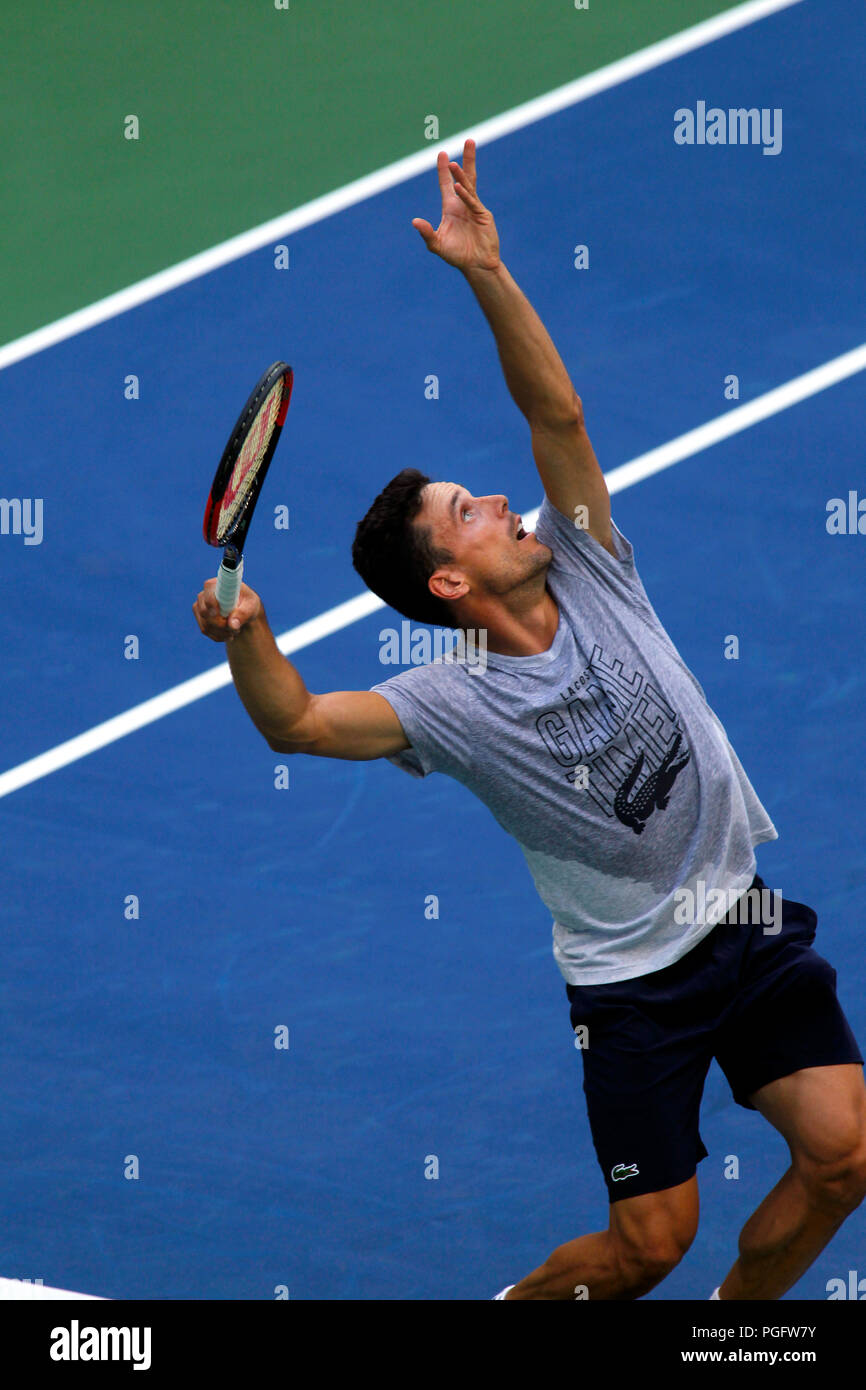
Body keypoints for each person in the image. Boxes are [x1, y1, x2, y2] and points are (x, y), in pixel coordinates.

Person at [193, 139, 866, 1300]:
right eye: (468, 511)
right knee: (646, 1246)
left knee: (843, 1154)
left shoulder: (588, 559)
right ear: (447, 583)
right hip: (632, 986)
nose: (501, 498)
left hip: (740, 915)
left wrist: (483, 270)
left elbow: (555, 410)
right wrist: (248, 635)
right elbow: (297, 722)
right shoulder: (449, 703)